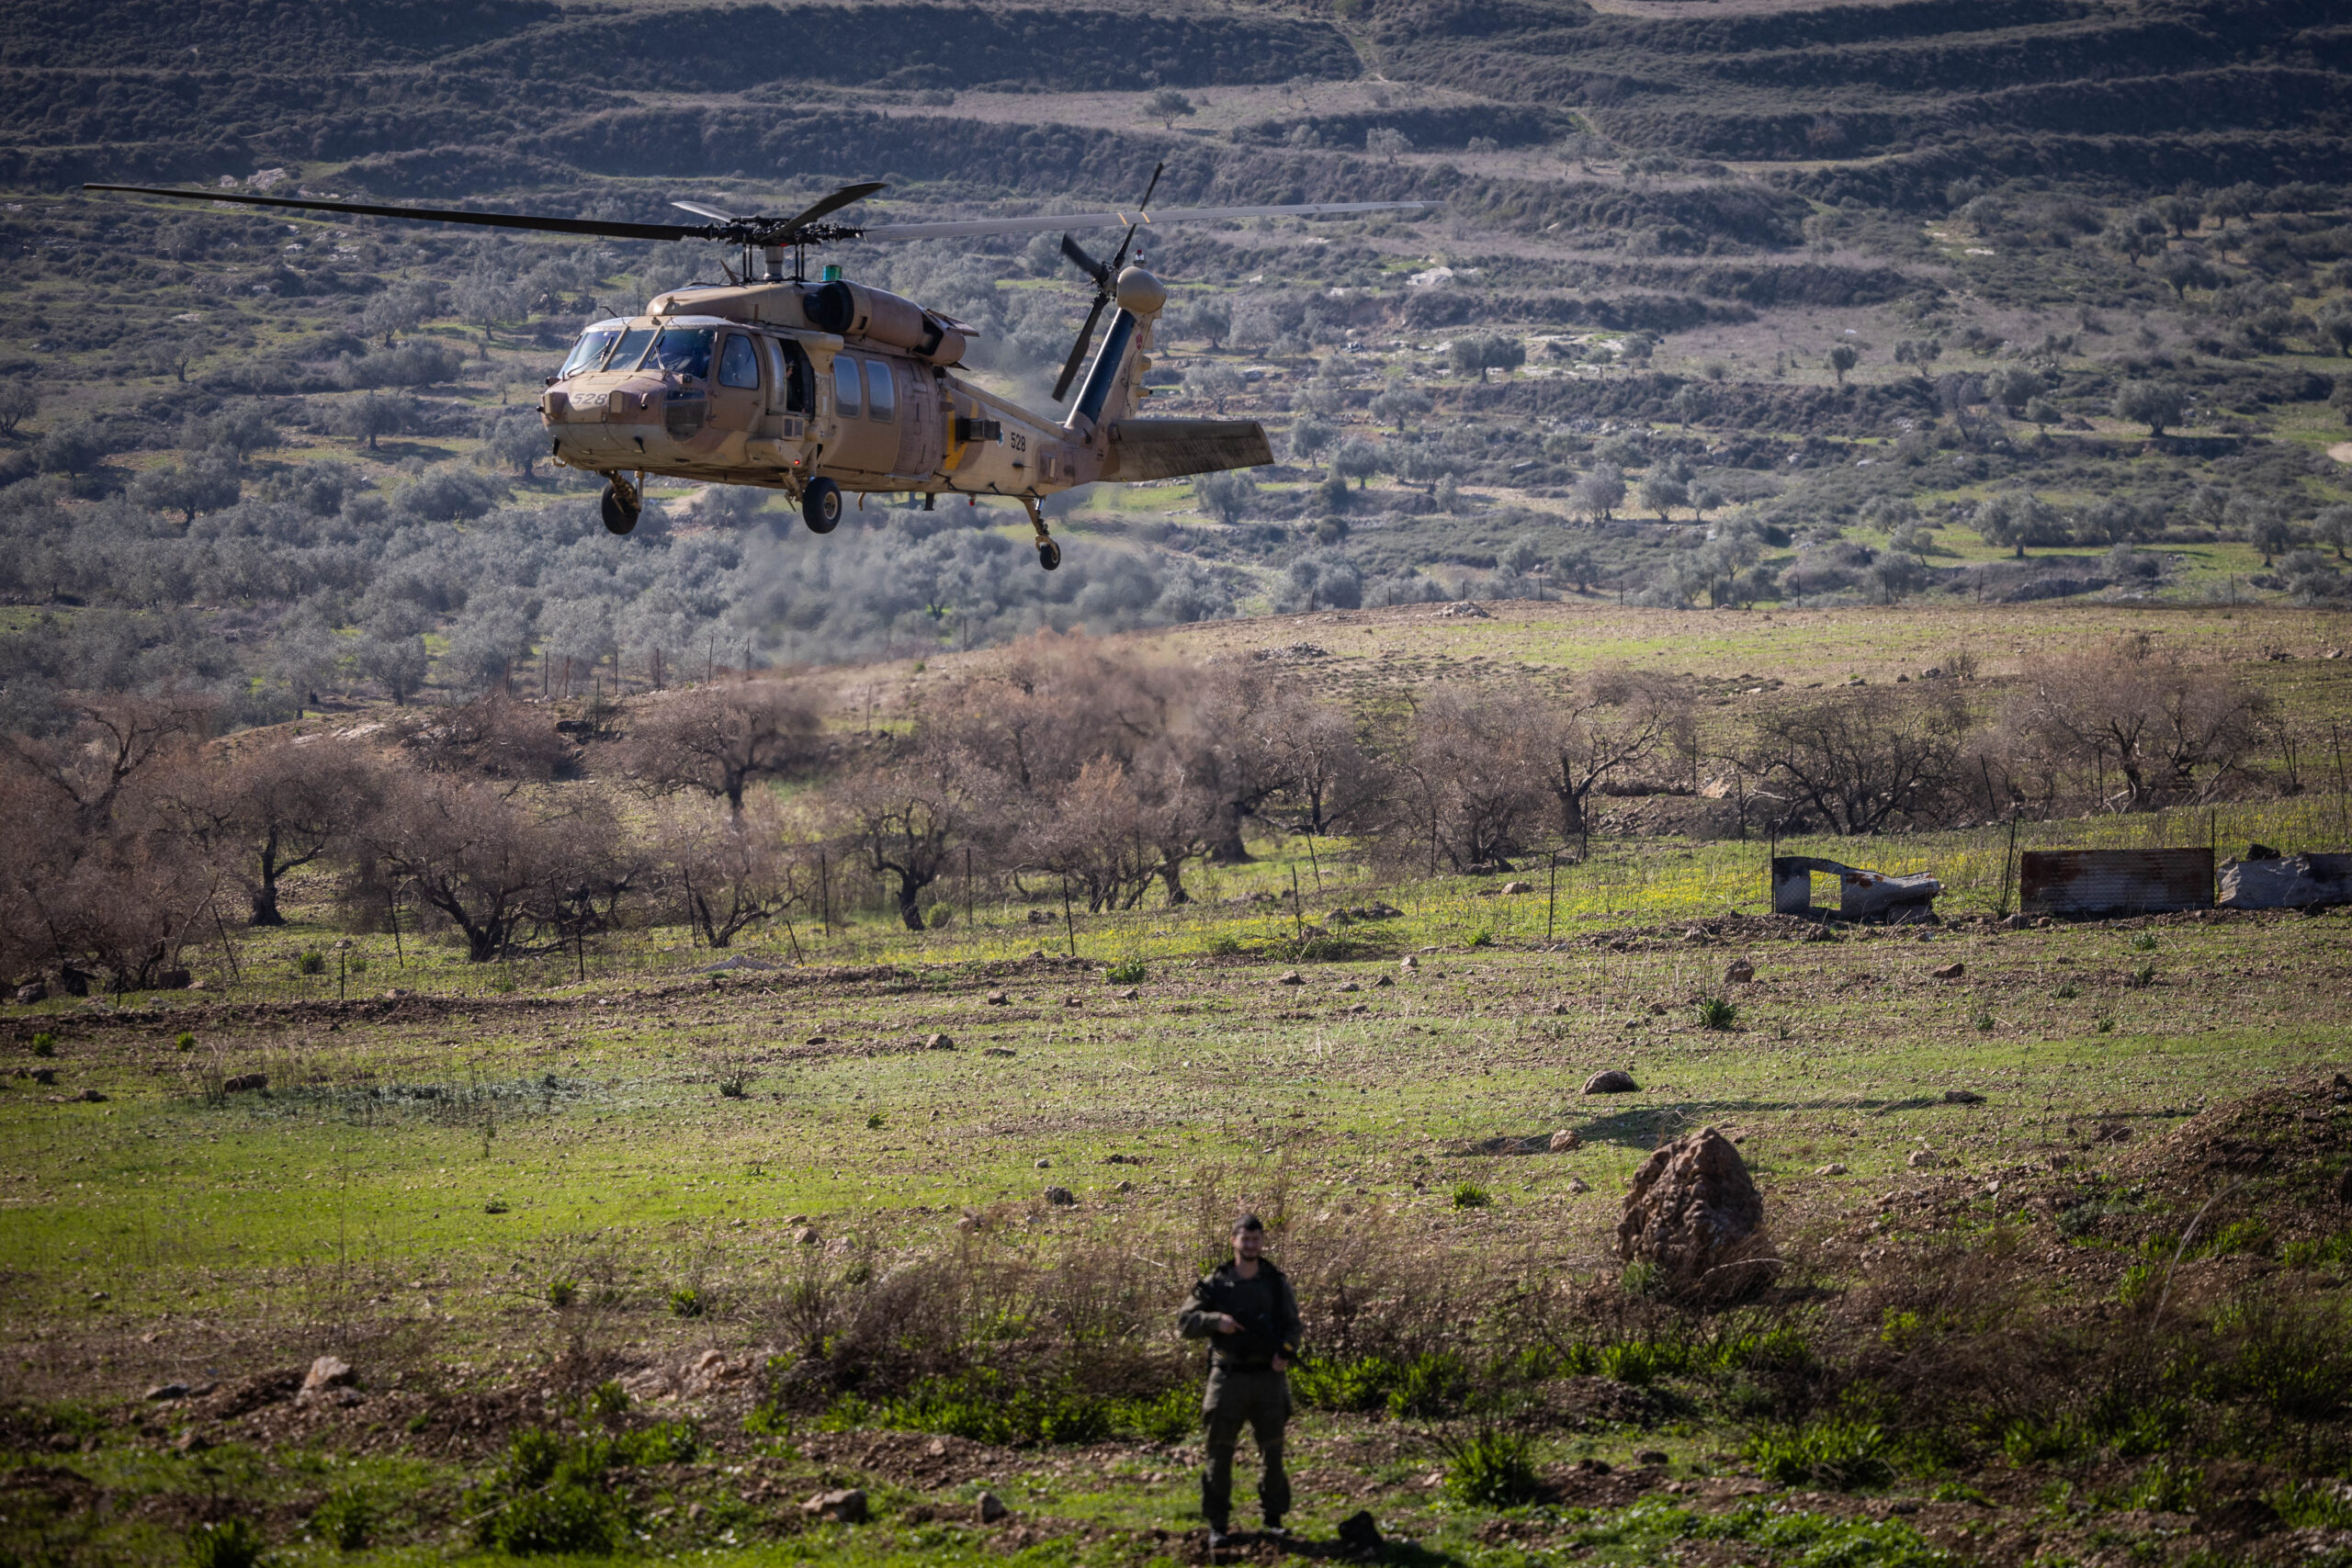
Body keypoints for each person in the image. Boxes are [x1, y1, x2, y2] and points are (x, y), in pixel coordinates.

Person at [1177, 1213, 1302, 1547]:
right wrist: (1216, 1321)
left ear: (1262, 1241)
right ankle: (1218, 1525)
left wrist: (1285, 1354)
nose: (1250, 1245)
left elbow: (1293, 1326)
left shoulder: (1275, 1282)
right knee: (1218, 1454)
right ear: (1233, 1240)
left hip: (1268, 1380)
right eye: (1244, 1239)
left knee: (1272, 1453)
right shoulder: (1216, 1283)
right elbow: (1185, 1321)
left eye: (1255, 1239)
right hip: (1227, 1378)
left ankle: (1273, 1521)